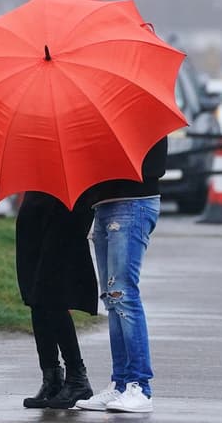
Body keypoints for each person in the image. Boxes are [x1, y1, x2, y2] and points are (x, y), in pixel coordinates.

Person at [75, 136, 167, 414]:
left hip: (133, 202)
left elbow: (154, 165)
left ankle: (140, 387)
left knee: (123, 295)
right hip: (103, 204)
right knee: (112, 299)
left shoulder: (139, 114)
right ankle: (121, 383)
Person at [15, 191, 97, 409]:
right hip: (35, 207)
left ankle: (77, 377)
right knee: (35, 296)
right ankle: (51, 377)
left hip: (66, 209)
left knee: (52, 294)